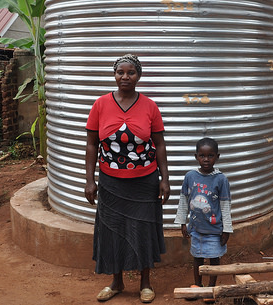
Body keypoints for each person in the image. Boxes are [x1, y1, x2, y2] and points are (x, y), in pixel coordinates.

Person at [84, 54, 170, 304]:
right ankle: (116, 282)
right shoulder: (100, 104)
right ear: (114, 75)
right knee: (113, 231)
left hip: (145, 181)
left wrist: (165, 178)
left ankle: (145, 283)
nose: (125, 77)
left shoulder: (149, 106)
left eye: (130, 72)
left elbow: (160, 144)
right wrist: (90, 180)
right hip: (111, 181)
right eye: (120, 72)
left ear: (138, 76)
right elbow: (91, 145)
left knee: (143, 229)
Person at [174, 137, 232, 302]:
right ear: (196, 156)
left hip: (214, 230)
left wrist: (226, 229)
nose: (206, 159)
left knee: (214, 259)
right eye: (202, 155)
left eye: (210, 155)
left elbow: (225, 206)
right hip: (196, 229)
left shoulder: (221, 179)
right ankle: (197, 286)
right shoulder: (190, 177)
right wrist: (182, 222)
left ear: (217, 157)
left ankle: (211, 289)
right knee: (197, 258)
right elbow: (184, 200)